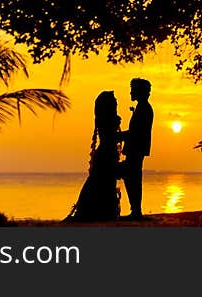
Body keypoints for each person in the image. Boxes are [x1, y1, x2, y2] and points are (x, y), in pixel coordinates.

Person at [65, 91, 121, 222]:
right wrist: (129, 134)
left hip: (107, 153)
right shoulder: (106, 119)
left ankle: (102, 211)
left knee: (102, 182)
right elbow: (109, 138)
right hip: (106, 153)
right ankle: (99, 211)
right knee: (100, 181)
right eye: (114, 102)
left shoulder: (105, 118)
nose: (116, 104)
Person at [120, 78, 153, 219]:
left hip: (136, 149)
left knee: (132, 177)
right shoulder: (142, 108)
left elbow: (136, 132)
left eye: (133, 89)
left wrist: (117, 136)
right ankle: (135, 210)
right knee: (131, 177)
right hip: (136, 149)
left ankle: (136, 211)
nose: (131, 92)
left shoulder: (144, 109)